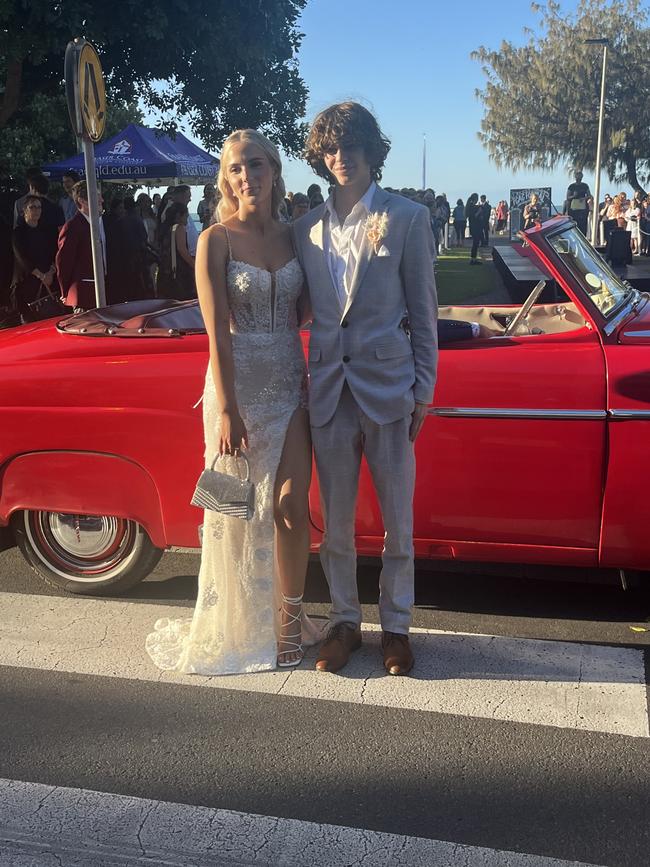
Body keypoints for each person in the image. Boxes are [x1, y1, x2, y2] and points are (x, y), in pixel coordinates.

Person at [146, 129, 322, 674]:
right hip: (235, 386)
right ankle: (237, 622)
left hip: (290, 385)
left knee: (291, 506)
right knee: (236, 512)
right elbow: (215, 331)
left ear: (274, 170)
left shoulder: (298, 236)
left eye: (257, 165)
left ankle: (288, 622)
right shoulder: (215, 239)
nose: (248, 176)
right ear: (226, 178)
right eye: (237, 168)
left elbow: (313, 308)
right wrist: (226, 408)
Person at [293, 102, 438, 677]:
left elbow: (424, 313)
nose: (340, 157)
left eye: (350, 146)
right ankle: (344, 621)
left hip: (390, 386)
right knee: (336, 522)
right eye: (330, 149)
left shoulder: (407, 217)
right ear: (321, 157)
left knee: (398, 520)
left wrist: (424, 389)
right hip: (328, 387)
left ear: (372, 152)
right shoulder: (304, 227)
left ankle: (397, 628)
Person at [55, 181, 106, 312]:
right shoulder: (72, 227)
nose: (102, 200)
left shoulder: (102, 223)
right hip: (83, 296)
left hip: (106, 293)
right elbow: (63, 262)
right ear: (82, 201)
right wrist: (65, 292)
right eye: (97, 196)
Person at [11, 195, 59, 320]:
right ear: (25, 210)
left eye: (39, 207)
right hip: (27, 282)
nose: (36, 210)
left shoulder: (46, 231)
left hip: (47, 282)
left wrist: (50, 272)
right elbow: (22, 258)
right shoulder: (18, 233)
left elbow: (54, 252)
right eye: (32, 207)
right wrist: (41, 275)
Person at [156, 203, 196, 300]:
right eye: (186, 215)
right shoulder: (179, 228)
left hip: (165, 269)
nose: (187, 219)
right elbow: (181, 249)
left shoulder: (165, 228)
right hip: (179, 270)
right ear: (179, 215)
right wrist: (194, 265)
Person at [565, 170, 591, 236]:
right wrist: (574, 196)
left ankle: (583, 236)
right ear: (575, 177)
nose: (578, 179)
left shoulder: (585, 186)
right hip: (573, 209)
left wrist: (584, 198)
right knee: (574, 224)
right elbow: (567, 197)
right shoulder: (571, 186)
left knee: (583, 225)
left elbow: (589, 195)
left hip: (582, 209)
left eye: (580, 178)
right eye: (577, 177)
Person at [465, 192, 483, 265]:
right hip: (475, 227)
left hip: (474, 226)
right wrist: (479, 211)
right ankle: (473, 259)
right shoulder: (472, 207)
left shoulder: (470, 206)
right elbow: (474, 216)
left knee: (476, 243)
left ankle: (473, 258)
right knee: (475, 243)